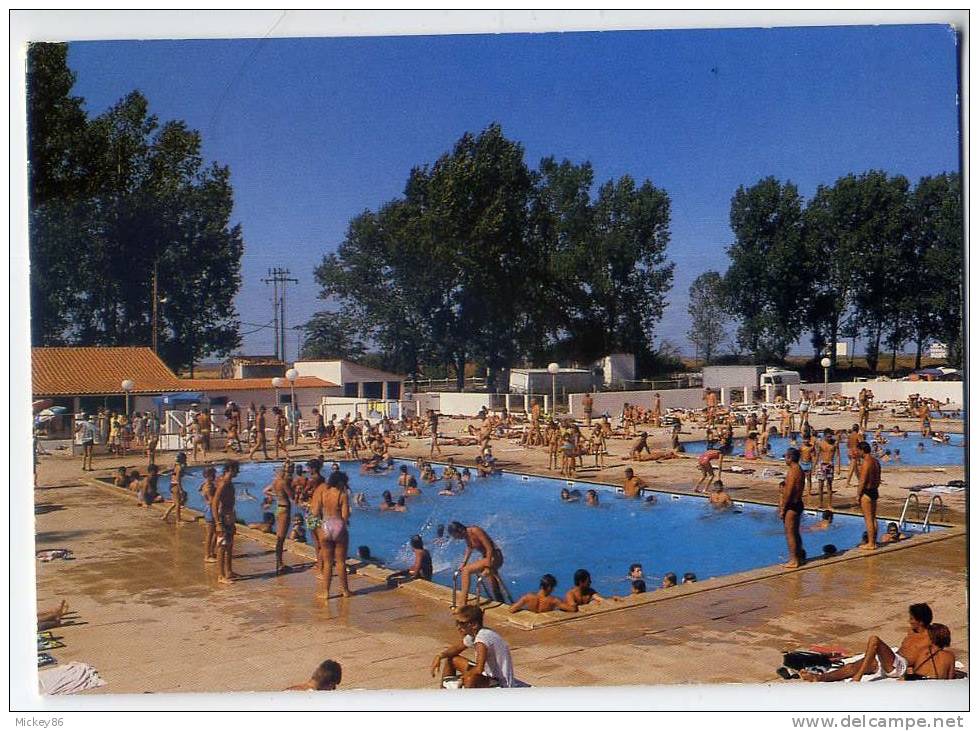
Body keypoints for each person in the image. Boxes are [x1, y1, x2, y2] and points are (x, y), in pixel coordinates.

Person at [801, 604, 938, 682]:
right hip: (891, 660)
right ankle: (819, 678)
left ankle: (858, 677)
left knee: (874, 640)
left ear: (920, 621)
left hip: (900, 667)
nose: (909, 621)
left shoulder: (929, 638)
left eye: (912, 618)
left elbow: (931, 657)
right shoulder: (911, 632)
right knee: (851, 666)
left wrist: (913, 672)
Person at [432, 605, 514, 688]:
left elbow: (479, 669)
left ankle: (466, 698)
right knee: (452, 659)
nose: (458, 627)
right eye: (457, 623)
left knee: (470, 678)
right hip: (487, 673)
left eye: (462, 623)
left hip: (499, 682)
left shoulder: (481, 640)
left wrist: (462, 678)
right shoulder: (474, 634)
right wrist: (440, 656)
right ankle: (443, 692)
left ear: (474, 625)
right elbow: (457, 648)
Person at [308, 470, 353, 599]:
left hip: (326, 526)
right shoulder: (342, 495)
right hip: (338, 526)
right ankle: (345, 590)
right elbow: (345, 516)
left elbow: (315, 512)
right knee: (340, 562)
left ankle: (325, 592)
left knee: (327, 563)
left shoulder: (323, 492)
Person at [447, 521, 504, 604]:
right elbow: (469, 548)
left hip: (495, 557)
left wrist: (488, 567)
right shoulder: (467, 536)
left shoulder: (475, 531)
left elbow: (489, 548)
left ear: (459, 530)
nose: (456, 538)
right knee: (493, 585)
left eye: (455, 536)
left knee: (466, 571)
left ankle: (462, 603)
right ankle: (500, 601)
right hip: (487, 559)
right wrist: (463, 563)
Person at [212, 461, 240, 584]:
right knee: (222, 547)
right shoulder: (223, 484)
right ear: (230, 469)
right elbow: (215, 503)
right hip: (223, 518)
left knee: (229, 545)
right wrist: (218, 523)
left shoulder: (228, 483)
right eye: (236, 470)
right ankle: (220, 575)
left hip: (229, 517)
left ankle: (229, 571)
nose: (238, 472)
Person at [779, 448, 805, 568]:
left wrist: (783, 508)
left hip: (791, 505)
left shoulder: (792, 471)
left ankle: (793, 560)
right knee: (795, 532)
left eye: (785, 457)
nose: (785, 459)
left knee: (790, 533)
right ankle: (799, 556)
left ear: (790, 457)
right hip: (798, 503)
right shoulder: (800, 469)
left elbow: (788, 492)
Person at [509, 574, 577, 614]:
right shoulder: (554, 600)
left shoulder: (527, 597)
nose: (553, 590)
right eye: (553, 587)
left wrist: (524, 610)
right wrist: (572, 602)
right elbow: (572, 609)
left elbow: (512, 609)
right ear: (549, 587)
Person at [856, 441, 881, 550]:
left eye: (858, 450)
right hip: (874, 490)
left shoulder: (866, 462)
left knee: (868, 519)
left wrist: (858, 495)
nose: (857, 452)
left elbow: (862, 480)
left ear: (862, 450)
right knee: (874, 517)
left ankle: (871, 543)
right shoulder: (876, 461)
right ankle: (874, 541)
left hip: (867, 492)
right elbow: (878, 478)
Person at [199, 467, 218, 563]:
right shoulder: (209, 487)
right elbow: (211, 501)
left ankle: (211, 552)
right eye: (213, 475)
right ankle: (207, 555)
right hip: (211, 510)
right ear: (208, 476)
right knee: (210, 534)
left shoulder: (205, 484)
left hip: (209, 509)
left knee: (214, 533)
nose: (215, 476)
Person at [162, 452, 188, 523]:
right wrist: (181, 489)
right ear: (182, 459)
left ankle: (165, 515)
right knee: (178, 504)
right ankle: (178, 520)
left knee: (175, 503)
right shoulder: (179, 468)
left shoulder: (176, 466)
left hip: (172, 485)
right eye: (185, 459)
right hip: (176, 485)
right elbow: (178, 479)